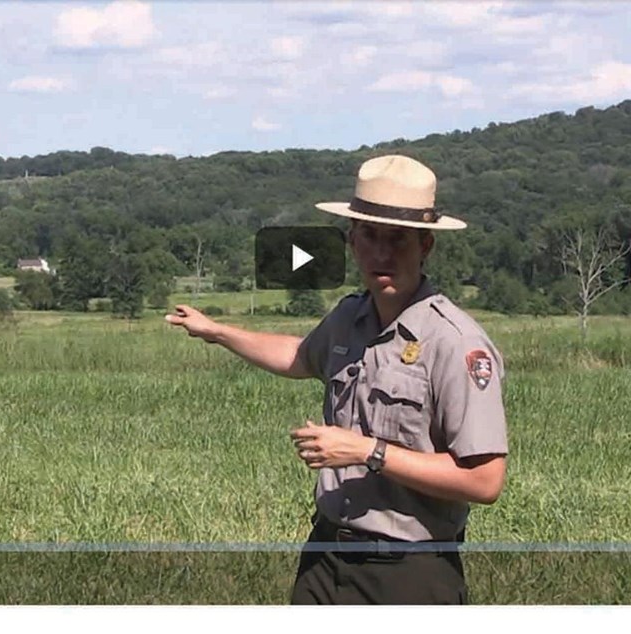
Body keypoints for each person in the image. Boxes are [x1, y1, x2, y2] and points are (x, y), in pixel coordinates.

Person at [165, 154, 508, 605]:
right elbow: (300, 355)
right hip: (325, 559)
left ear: (426, 245)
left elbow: (484, 480)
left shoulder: (455, 342)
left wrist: (367, 452)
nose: (382, 253)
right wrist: (219, 332)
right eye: (370, 236)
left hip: (409, 572)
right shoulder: (351, 317)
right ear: (352, 241)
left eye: (398, 239)